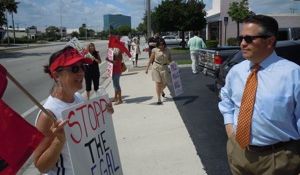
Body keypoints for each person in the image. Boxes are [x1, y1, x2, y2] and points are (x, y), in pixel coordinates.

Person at [218, 14, 300, 174]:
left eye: (249, 39)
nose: (242, 44)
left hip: (278, 159)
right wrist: (230, 130)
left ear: (269, 41)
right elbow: (226, 102)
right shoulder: (236, 72)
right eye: (240, 38)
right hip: (239, 154)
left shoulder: (294, 74)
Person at [33, 46, 114, 174]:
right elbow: (40, 166)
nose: (81, 72)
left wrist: (104, 114)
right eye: (74, 68)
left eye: (83, 67)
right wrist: (58, 141)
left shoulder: (78, 98)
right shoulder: (48, 114)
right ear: (56, 75)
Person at [145, 38, 172, 105]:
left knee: (166, 82)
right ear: (158, 45)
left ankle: (161, 90)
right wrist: (147, 68)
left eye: (162, 44)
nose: (161, 46)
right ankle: (159, 99)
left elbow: (170, 60)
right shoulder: (155, 50)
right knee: (158, 83)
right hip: (156, 67)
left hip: (165, 67)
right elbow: (151, 59)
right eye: (160, 45)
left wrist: (174, 67)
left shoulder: (168, 50)